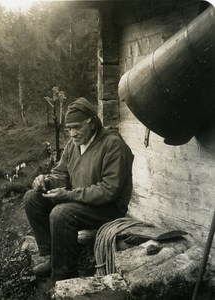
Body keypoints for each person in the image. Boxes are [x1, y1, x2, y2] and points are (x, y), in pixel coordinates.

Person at [24, 97, 134, 281]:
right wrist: (47, 181)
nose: (72, 134)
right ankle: (53, 257)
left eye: (77, 127)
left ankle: (65, 276)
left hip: (108, 208)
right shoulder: (73, 145)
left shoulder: (112, 144)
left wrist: (68, 195)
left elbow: (108, 191)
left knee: (61, 213)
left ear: (91, 122)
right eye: (68, 129)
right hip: (82, 203)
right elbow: (61, 174)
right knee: (32, 198)